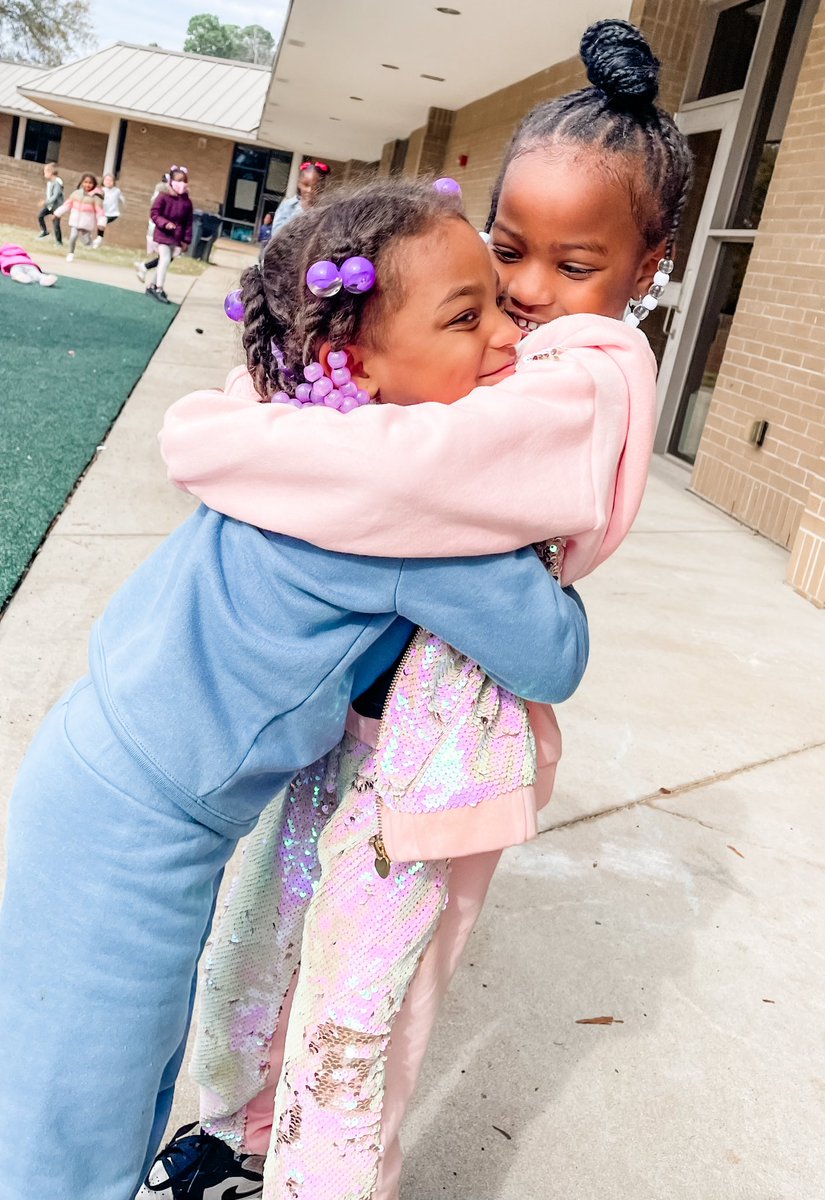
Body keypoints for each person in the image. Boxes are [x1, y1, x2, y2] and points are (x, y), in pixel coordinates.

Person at [150, 19, 692, 1200]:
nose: (531, 292)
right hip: (353, 721)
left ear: (645, 269)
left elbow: (401, 467)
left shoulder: (588, 379)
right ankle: (232, 1138)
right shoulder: (516, 344)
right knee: (262, 939)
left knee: (364, 1010)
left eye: (576, 263)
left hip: (439, 762)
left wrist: (226, 433)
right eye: (510, 251)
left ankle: (320, 1184)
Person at [0, 180, 594, 1200]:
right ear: (348, 361)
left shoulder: (299, 429)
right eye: (468, 315)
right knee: (71, 1128)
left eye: (500, 304)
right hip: (135, 826)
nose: (510, 333)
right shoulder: (413, 502)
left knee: (97, 1081)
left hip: (107, 773)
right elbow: (552, 654)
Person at [143, 165, 193, 304]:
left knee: (165, 262)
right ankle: (159, 288)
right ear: (171, 181)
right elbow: (154, 213)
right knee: (164, 259)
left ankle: (152, 286)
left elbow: (188, 222)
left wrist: (186, 240)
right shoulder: (163, 196)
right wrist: (165, 223)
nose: (182, 184)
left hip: (176, 237)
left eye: (184, 180)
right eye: (179, 180)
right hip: (163, 234)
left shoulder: (186, 202)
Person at [54, 172, 105, 263]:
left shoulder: (96, 197)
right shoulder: (76, 194)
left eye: (90, 183)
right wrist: (57, 213)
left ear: (94, 184)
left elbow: (99, 211)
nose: (88, 184)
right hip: (75, 220)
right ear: (82, 182)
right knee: (73, 237)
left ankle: (91, 243)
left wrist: (101, 222)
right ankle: (70, 253)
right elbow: (67, 205)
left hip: (86, 222)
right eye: (85, 182)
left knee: (86, 242)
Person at [269, 159, 330, 234]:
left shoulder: (324, 210)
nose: (310, 190)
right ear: (299, 184)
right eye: (306, 185)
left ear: (322, 188)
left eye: (316, 187)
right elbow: (275, 233)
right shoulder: (288, 205)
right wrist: (302, 210)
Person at [93, 173, 126, 246]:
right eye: (106, 180)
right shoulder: (101, 190)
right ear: (103, 181)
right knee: (100, 223)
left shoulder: (117, 191)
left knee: (102, 222)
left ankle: (99, 239)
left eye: (110, 180)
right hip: (103, 212)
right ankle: (98, 239)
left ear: (114, 182)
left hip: (113, 213)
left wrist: (123, 205)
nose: (108, 182)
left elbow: (122, 200)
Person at [36, 162, 63, 245]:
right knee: (40, 216)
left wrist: (45, 202)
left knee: (56, 224)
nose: (44, 173)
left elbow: (55, 196)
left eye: (45, 171)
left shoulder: (57, 182)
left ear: (50, 172)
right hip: (50, 206)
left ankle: (59, 242)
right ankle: (45, 231)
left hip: (57, 207)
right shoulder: (50, 182)